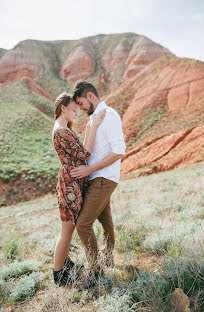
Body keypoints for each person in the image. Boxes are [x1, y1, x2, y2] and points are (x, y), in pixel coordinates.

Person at [71, 81, 126, 288]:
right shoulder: (95, 119)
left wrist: (89, 170)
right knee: (105, 221)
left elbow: (119, 151)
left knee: (83, 224)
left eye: (81, 103)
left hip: (103, 178)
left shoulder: (109, 115)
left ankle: (95, 272)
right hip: (98, 178)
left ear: (90, 96)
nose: (81, 107)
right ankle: (108, 258)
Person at [52, 92, 105, 287]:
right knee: (66, 232)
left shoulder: (63, 128)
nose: (76, 112)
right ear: (63, 107)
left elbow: (79, 153)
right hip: (70, 185)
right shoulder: (61, 131)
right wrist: (93, 126)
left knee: (70, 229)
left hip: (72, 183)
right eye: (73, 109)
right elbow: (85, 154)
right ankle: (59, 275)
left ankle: (64, 265)